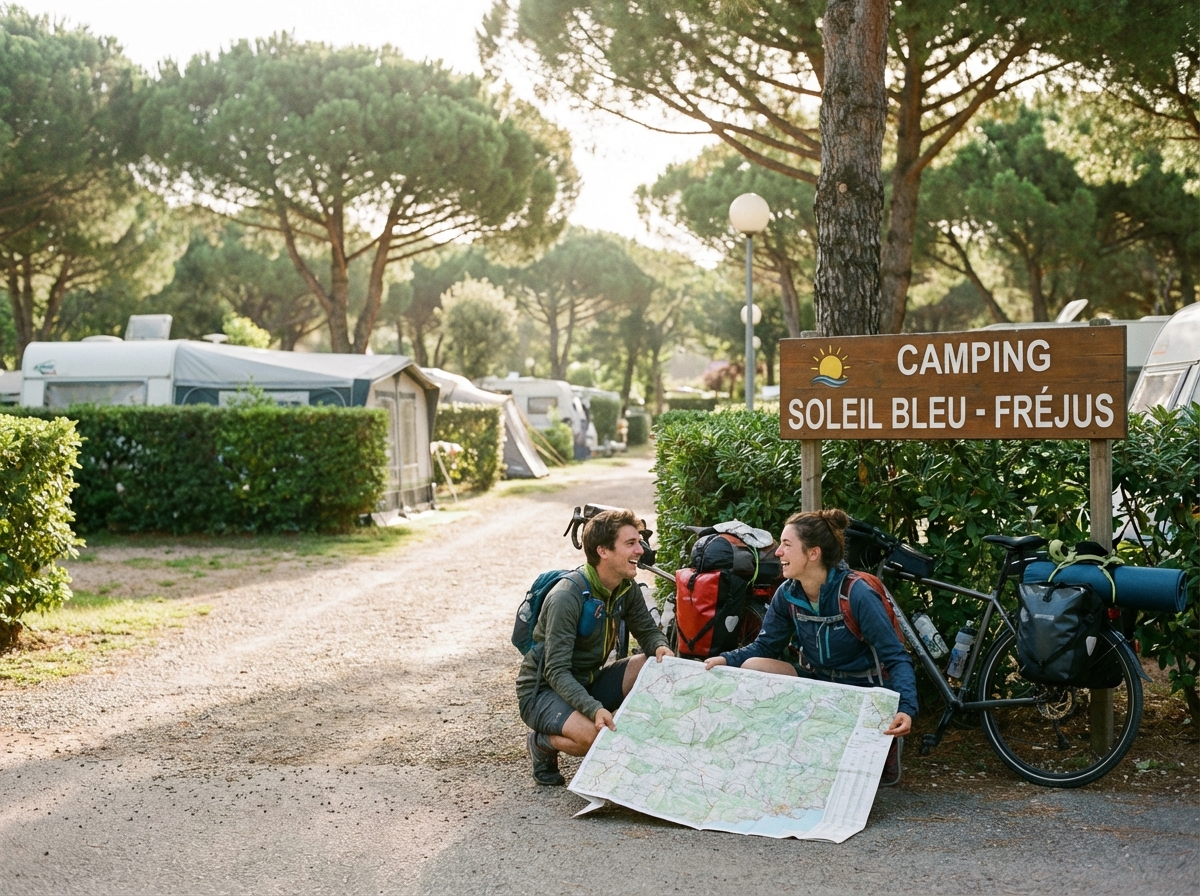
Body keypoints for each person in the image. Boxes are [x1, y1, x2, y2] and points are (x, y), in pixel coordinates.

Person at [704, 508, 916, 785]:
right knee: (753, 667)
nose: (778, 552)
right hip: (819, 686)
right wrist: (725, 660)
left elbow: (895, 656)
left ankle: (872, 749)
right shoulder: (787, 593)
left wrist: (907, 708)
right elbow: (765, 647)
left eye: (787, 545)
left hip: (861, 692)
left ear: (813, 553)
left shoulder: (856, 592)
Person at [516, 508, 674, 786]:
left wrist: (661, 647)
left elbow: (647, 632)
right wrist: (594, 709)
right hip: (543, 691)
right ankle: (542, 743)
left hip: (587, 680)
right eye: (631, 543)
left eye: (639, 541)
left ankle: (641, 740)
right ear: (603, 551)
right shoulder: (567, 596)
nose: (641, 549)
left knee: (652, 663)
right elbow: (556, 671)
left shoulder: (626, 586)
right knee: (595, 739)